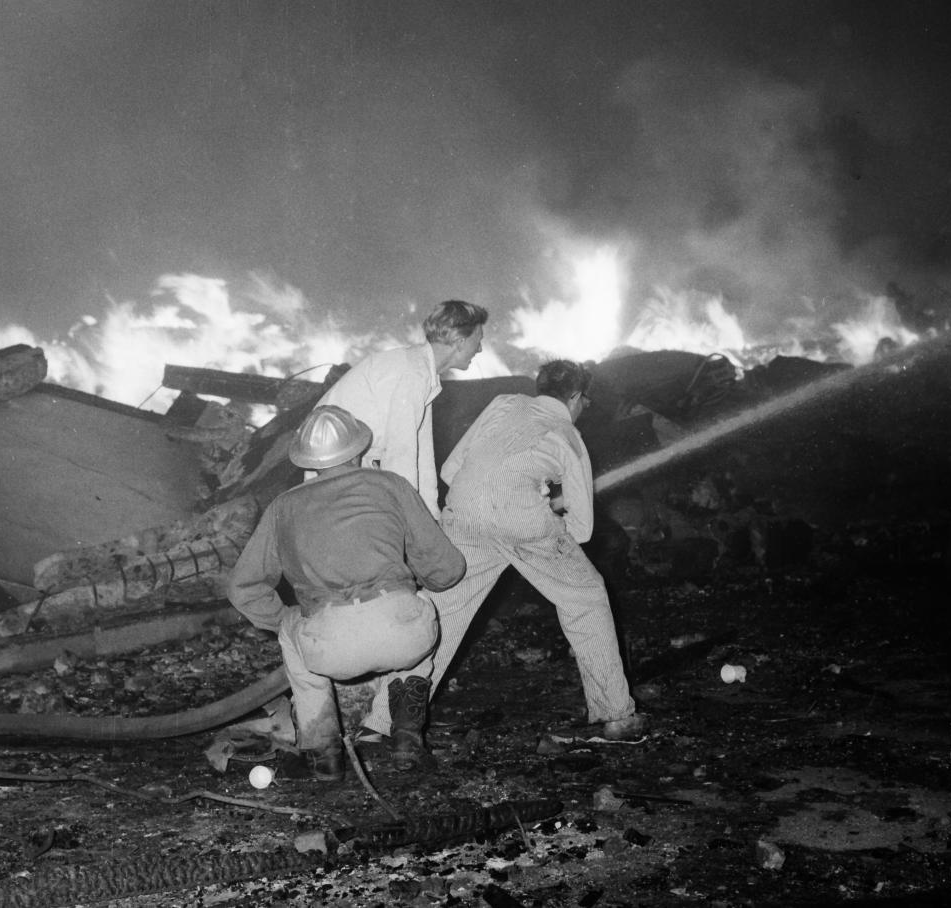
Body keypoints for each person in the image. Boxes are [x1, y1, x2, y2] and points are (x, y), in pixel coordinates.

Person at [362, 360, 647, 746]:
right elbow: (582, 529)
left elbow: (450, 470)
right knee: (587, 598)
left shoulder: (503, 403)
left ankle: (381, 723)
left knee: (441, 615)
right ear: (578, 397)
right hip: (523, 521)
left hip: (464, 510)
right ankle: (616, 717)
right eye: (586, 401)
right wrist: (549, 500)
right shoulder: (569, 436)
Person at [225, 405, 466, 781]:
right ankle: (406, 738)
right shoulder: (391, 485)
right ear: (358, 450)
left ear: (309, 462)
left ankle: (325, 756)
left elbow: (243, 586)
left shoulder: (283, 507)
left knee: (292, 634)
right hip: (403, 637)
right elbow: (447, 569)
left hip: (330, 647)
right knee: (421, 607)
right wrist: (410, 586)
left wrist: (285, 620)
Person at [315, 299, 487, 518]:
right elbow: (400, 458)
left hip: (354, 462)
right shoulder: (412, 373)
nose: (480, 349)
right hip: (331, 461)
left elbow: (421, 457)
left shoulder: (423, 371)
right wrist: (413, 524)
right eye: (478, 340)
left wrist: (431, 516)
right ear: (460, 340)